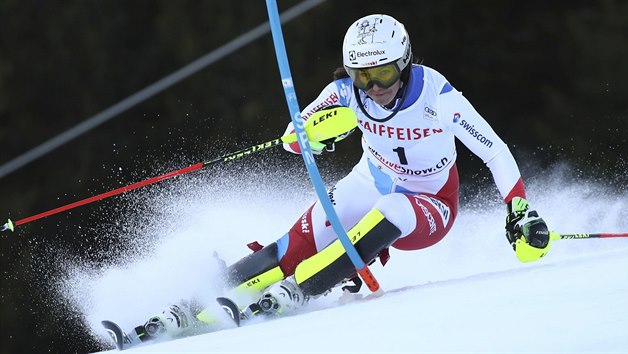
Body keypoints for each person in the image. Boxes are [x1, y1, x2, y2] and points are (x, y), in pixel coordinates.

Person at [131, 13, 552, 343]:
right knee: (295, 242)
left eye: (383, 74)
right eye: (362, 76)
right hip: (369, 180)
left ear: (403, 62)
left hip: (431, 203)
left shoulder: (438, 96)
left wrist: (518, 208)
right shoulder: (346, 93)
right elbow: (295, 135)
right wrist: (305, 138)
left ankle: (304, 286)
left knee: (391, 208)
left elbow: (494, 149)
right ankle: (190, 306)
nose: (373, 87)